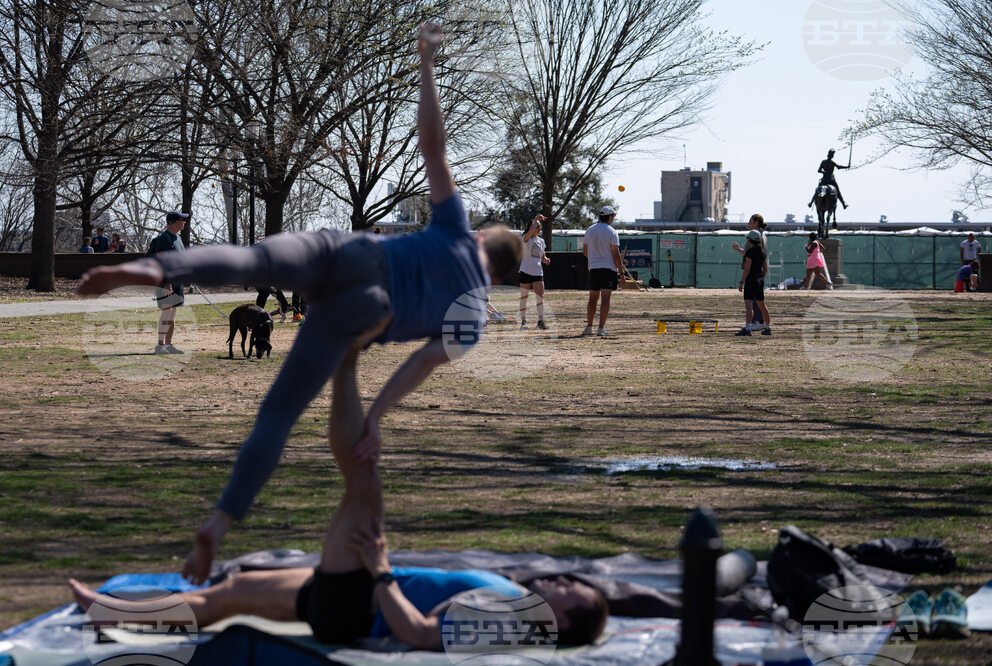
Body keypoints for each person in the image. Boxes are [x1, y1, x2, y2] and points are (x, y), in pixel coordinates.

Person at [76, 22, 521, 585]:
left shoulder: (458, 228)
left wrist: (427, 64)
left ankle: (154, 266)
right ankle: (217, 523)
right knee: (279, 414)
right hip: (365, 311)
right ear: (501, 277)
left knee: (253, 260)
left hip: (350, 252)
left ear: (481, 240)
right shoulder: (474, 317)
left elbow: (433, 145)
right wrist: (377, 418)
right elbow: (419, 365)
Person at [68, 343, 608, 649]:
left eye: (569, 591)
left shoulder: (522, 623)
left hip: (359, 600)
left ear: (559, 622)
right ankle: (112, 612)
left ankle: (344, 359)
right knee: (232, 590)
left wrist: (380, 569)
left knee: (363, 479)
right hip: (360, 590)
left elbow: (420, 634)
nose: (561, 580)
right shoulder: (522, 610)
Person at [147, 211, 190, 355]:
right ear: (172, 222)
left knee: (172, 315)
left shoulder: (178, 239)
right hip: (166, 283)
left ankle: (169, 345)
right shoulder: (164, 239)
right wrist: (165, 282)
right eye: (181, 220)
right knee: (166, 313)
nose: (184, 222)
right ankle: (159, 346)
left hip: (177, 283)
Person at [582, 205, 625, 336]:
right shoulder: (612, 231)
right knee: (605, 298)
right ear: (610, 216)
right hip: (608, 269)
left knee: (593, 298)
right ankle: (601, 329)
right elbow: (615, 253)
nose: (613, 219)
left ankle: (589, 327)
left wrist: (596, 258)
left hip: (594, 268)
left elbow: (585, 251)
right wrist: (621, 273)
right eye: (613, 216)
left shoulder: (590, 230)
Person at [731, 214, 768, 329]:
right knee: (760, 301)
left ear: (756, 223)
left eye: (750, 221)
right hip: (759, 274)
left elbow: (749, 255)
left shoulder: (755, 237)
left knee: (752, 302)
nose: (748, 223)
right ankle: (765, 325)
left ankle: (757, 322)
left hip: (752, 274)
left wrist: (738, 249)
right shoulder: (762, 235)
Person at [735, 229, 771, 336]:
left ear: (749, 240)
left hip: (751, 280)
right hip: (760, 279)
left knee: (749, 306)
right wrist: (762, 278)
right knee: (762, 305)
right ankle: (768, 327)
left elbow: (747, 269)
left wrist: (741, 282)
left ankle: (747, 329)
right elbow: (765, 268)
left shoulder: (750, 252)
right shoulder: (763, 252)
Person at [519, 214, 550, 330]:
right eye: (537, 226)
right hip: (526, 271)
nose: (539, 228)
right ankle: (523, 322)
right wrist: (536, 218)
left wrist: (546, 260)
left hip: (538, 272)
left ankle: (540, 321)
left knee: (540, 297)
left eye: (540, 226)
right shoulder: (526, 239)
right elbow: (531, 230)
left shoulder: (541, 241)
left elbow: (542, 256)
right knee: (524, 297)